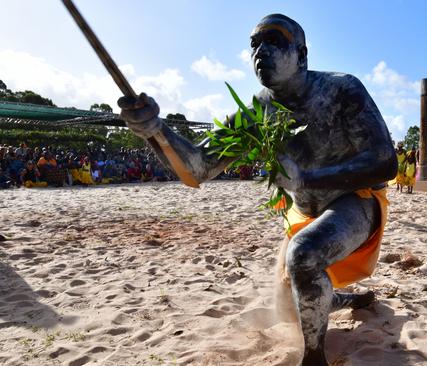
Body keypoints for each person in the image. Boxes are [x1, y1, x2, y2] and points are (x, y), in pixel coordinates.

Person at [117, 13, 396, 366]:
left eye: (275, 41)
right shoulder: (256, 111)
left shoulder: (342, 90)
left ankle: (313, 358)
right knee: (287, 302)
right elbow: (197, 169)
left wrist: (308, 179)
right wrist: (155, 131)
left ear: (302, 55)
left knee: (303, 256)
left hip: (355, 202)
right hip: (304, 213)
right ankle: (346, 300)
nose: (261, 51)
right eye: (254, 44)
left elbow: (385, 162)